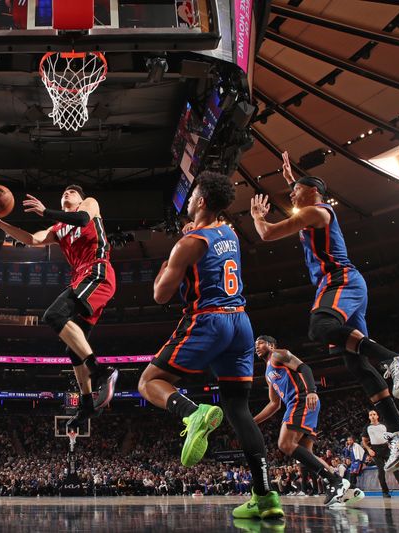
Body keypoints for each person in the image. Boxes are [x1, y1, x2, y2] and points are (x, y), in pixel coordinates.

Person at [249, 151, 399, 473]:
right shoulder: (312, 204)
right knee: (354, 363)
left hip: (339, 280)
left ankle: (396, 360)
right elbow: (304, 187)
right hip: (344, 285)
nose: (291, 196)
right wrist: (292, 178)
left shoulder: (316, 211)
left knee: (319, 326)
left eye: (294, 192)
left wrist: (258, 215)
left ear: (313, 193)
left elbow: (266, 233)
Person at [136, 172, 284, 520]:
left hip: (209, 321)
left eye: (191, 197)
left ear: (201, 201)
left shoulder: (189, 243)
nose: (187, 202)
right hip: (242, 323)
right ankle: (265, 497)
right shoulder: (229, 233)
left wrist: (171, 257)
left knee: (147, 382)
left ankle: (192, 412)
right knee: (238, 410)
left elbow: (160, 295)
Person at [0, 185, 118, 430]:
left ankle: (100, 371)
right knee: (73, 348)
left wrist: (45, 211)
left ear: (80, 197)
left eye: (71, 192)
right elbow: (32, 239)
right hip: (81, 278)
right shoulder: (58, 229)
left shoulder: (90, 204)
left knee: (54, 315)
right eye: (64, 191)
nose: (67, 193)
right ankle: (87, 403)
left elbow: (82, 218)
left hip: (97, 271)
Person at [252, 335, 360, 507]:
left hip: (302, 400)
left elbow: (304, 367)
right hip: (295, 404)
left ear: (271, 345)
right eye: (255, 345)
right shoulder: (267, 373)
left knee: (285, 444)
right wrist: (253, 421)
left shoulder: (278, 355)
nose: (256, 347)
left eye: (260, 343)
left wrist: (311, 391)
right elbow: (274, 404)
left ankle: (333, 481)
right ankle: (344, 488)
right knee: (306, 454)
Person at [362, 410, 399, 498]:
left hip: (386, 449)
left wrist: (390, 444)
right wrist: (369, 450)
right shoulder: (367, 427)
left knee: (395, 468)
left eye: (374, 414)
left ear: (377, 416)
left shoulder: (384, 425)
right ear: (369, 417)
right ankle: (385, 492)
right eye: (370, 415)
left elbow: (390, 436)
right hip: (375, 450)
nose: (372, 416)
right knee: (381, 470)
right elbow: (364, 441)